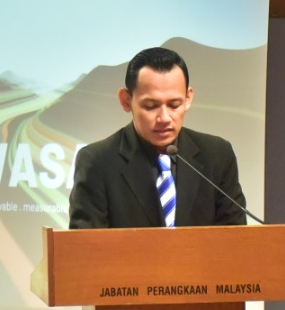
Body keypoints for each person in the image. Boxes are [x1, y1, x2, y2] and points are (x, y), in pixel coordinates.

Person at [68, 47, 248, 229]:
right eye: (151, 106)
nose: (164, 118)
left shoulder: (217, 156)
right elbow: (87, 244)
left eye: (174, 105)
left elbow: (235, 238)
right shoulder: (97, 162)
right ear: (126, 100)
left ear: (188, 98)